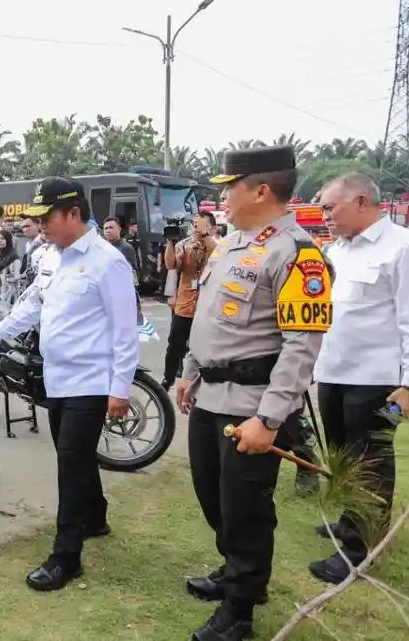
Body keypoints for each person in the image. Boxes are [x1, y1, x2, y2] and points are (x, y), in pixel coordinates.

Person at [175, 145, 331, 640]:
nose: (223, 198)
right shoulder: (233, 243)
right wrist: (189, 370)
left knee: (246, 510)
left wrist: (269, 419)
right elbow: (208, 317)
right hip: (210, 397)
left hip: (250, 406)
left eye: (229, 188)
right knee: (212, 497)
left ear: (261, 190)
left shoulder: (298, 254)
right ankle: (232, 568)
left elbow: (302, 347)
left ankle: (240, 608)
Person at [0, 176, 138, 593]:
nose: (40, 225)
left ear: (74, 214)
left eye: (47, 217)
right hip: (56, 378)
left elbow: (125, 331)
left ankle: (66, 556)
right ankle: (95, 517)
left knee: (70, 462)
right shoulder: (50, 256)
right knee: (74, 454)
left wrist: (120, 389)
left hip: (91, 382)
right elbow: (30, 307)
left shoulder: (107, 261)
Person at [310, 173, 409, 583]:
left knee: (372, 462)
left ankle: (360, 551)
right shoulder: (336, 251)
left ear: (361, 201)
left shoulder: (406, 249)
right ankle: (350, 522)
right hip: (334, 371)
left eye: (331, 207)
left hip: (377, 379)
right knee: (343, 456)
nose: (324, 215)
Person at [161, 212, 218, 390]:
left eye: (200, 224)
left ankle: (204, 380)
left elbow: (215, 257)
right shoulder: (184, 245)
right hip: (185, 304)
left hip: (207, 304)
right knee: (175, 344)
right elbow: (171, 265)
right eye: (194, 223)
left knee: (204, 344)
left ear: (210, 227)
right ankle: (168, 378)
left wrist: (205, 238)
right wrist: (170, 242)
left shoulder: (218, 246)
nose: (195, 227)